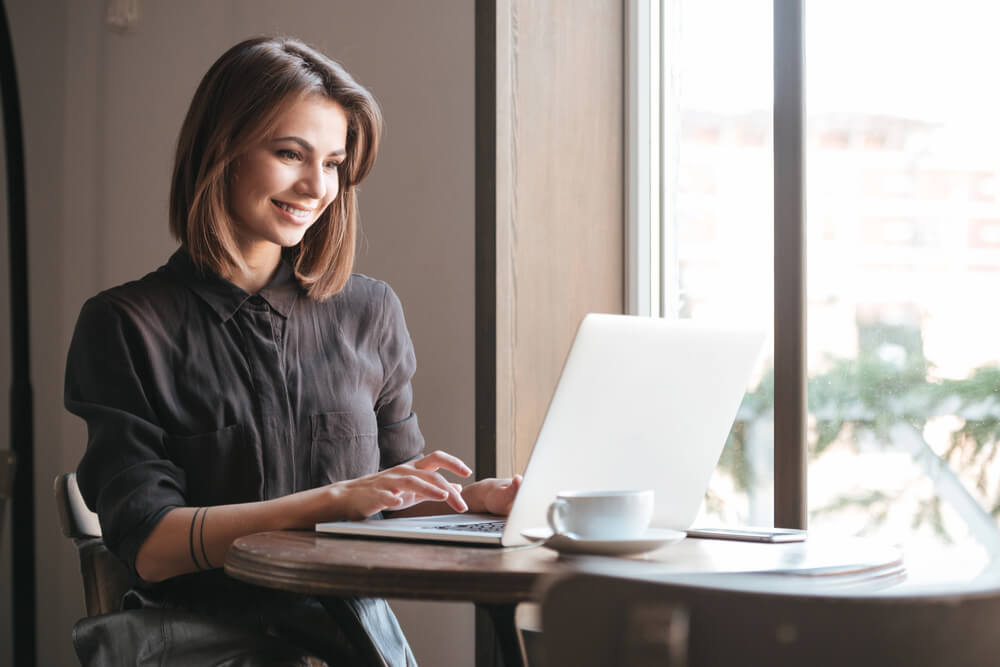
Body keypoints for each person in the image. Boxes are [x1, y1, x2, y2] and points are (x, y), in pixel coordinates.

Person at [64, 36, 520, 666]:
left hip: (357, 646)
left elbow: (397, 499)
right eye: (289, 154)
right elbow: (151, 544)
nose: (316, 186)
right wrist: (333, 501)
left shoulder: (370, 311)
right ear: (220, 152)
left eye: (333, 163)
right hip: (207, 647)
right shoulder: (125, 325)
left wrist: (477, 501)